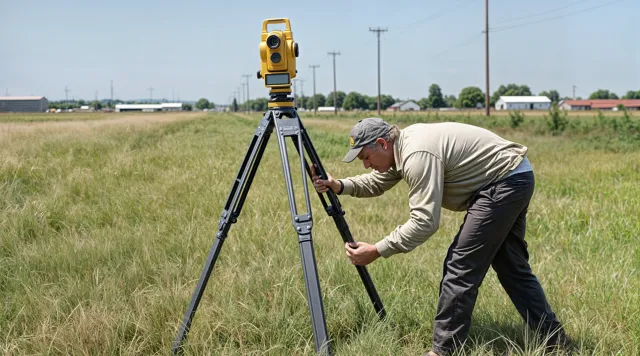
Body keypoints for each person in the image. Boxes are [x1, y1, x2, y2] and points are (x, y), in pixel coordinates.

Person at [311, 118, 568, 355]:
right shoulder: (401, 148)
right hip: (515, 175)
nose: (366, 165)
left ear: (382, 143)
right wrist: (339, 185)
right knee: (512, 267)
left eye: (366, 157)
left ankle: (443, 350)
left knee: (460, 265)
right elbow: (377, 182)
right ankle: (557, 342)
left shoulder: (416, 154)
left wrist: (377, 250)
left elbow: (425, 222)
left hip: (503, 182)